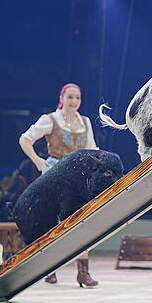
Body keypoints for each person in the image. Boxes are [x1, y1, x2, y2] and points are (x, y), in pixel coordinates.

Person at [18, 83, 99, 287]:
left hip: (80, 178)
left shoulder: (85, 122)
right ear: (61, 98)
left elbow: (92, 149)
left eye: (77, 98)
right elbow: (25, 139)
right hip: (56, 175)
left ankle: (83, 272)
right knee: (54, 222)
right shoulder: (50, 119)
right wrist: (38, 161)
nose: (74, 101)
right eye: (70, 97)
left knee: (83, 222)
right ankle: (50, 268)